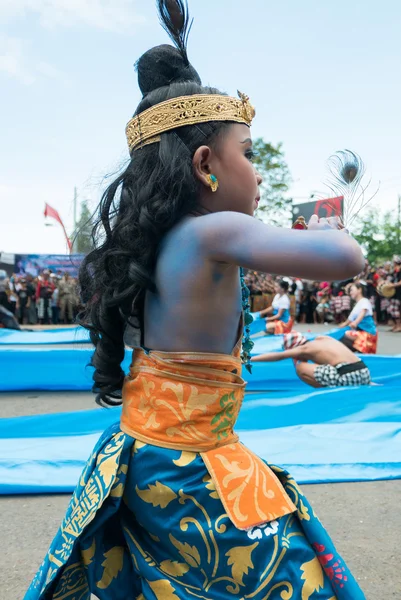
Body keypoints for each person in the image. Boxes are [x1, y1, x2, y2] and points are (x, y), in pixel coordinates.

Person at [25, 3, 366, 599]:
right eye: (251, 154)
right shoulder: (213, 233)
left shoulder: (157, 245)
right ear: (206, 163)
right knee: (286, 582)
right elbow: (348, 258)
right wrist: (326, 216)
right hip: (192, 467)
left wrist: (301, 359)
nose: (258, 175)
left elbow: (189, 365)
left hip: (145, 454)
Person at [252, 331, 371, 388]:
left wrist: (250, 359)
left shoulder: (305, 348)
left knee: (301, 368)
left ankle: (327, 393)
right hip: (365, 373)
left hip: (348, 375)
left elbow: (279, 356)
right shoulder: (322, 338)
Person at [340, 282, 378, 353]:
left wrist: (355, 322)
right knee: (340, 336)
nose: (350, 293)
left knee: (345, 336)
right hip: (360, 333)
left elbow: (363, 312)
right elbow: (347, 321)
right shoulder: (357, 305)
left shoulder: (364, 301)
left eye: (352, 290)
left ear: (359, 290)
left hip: (368, 334)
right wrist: (338, 329)